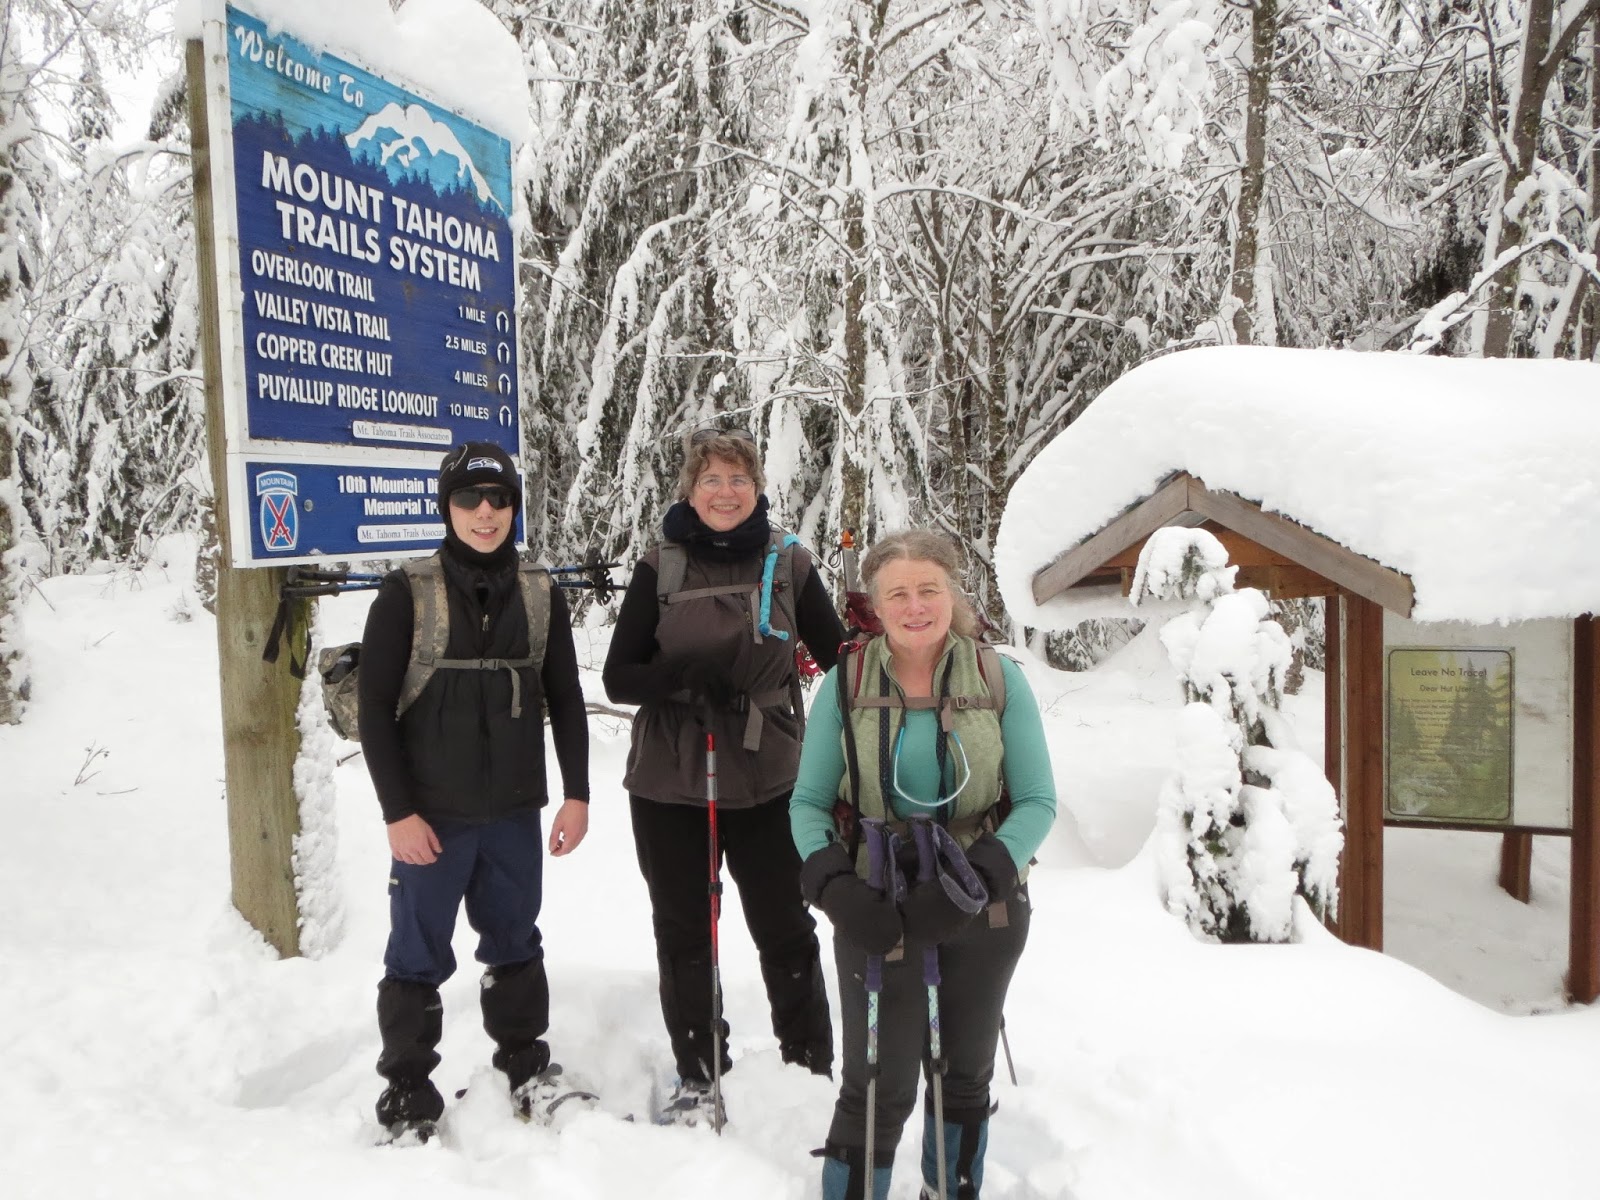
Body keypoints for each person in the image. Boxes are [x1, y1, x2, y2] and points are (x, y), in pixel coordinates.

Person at [790, 530, 1057, 1200]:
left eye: (929, 589)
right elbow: (808, 803)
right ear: (876, 605)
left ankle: (950, 1190)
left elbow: (1037, 803)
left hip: (983, 905)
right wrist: (836, 889)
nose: (915, 606)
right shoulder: (847, 684)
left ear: (952, 594)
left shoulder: (998, 679)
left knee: (962, 1077)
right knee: (875, 1085)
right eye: (898, 593)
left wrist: (974, 881)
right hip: (876, 903)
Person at [602, 425, 847, 1121]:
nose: (726, 492)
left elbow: (841, 659)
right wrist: (683, 677)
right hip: (670, 775)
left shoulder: (789, 563)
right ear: (690, 488)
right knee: (685, 928)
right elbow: (621, 676)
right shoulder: (661, 564)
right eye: (711, 479)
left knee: (784, 924)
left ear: (759, 487)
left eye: (739, 479)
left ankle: (807, 1067)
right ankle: (699, 1071)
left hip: (770, 774)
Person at [358, 441, 590, 1140]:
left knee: (516, 941)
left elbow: (567, 699)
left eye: (499, 499)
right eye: (469, 499)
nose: (485, 513)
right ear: (446, 505)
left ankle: (525, 1067)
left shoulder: (539, 593)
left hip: (513, 811)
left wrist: (577, 793)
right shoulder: (408, 593)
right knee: (416, 955)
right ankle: (406, 1092)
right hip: (432, 815)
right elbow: (374, 710)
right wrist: (398, 812)